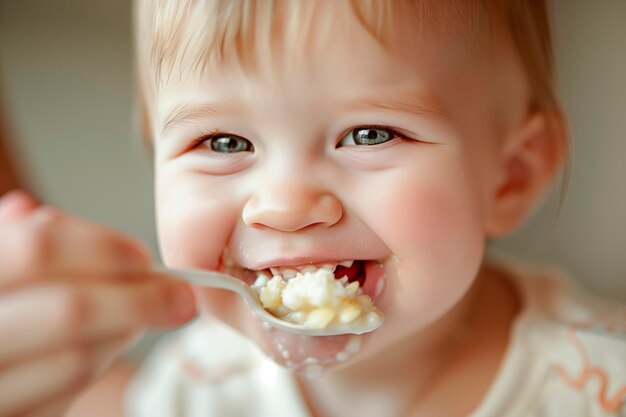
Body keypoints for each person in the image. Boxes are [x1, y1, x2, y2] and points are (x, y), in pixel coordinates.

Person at [2, 0, 625, 416]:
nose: (285, 208)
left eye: (369, 135)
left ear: (509, 178)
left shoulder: (598, 384)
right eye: (223, 142)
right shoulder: (193, 389)